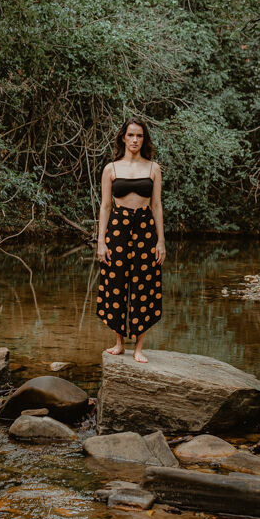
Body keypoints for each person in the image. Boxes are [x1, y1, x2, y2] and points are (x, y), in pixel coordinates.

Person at [95, 118, 165, 363]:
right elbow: (105, 206)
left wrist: (161, 241)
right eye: (131, 135)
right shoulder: (111, 169)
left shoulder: (153, 168)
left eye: (139, 136)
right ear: (123, 137)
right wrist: (101, 241)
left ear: (144, 139)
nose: (135, 140)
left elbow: (156, 206)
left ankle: (139, 347)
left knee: (143, 284)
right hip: (117, 229)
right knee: (116, 281)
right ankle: (119, 343)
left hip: (146, 229)